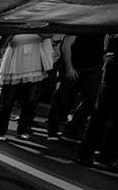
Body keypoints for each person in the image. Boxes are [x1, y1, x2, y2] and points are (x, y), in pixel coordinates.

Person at [0, 34, 54, 141]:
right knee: (7, 103)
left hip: (34, 67)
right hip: (13, 66)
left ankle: (22, 130)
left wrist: (35, 26)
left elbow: (49, 34)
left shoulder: (40, 25)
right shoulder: (15, 24)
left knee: (29, 103)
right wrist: (11, 31)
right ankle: (0, 131)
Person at [46, 34, 105, 142]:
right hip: (75, 66)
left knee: (90, 100)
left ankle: (72, 130)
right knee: (61, 99)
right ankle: (52, 130)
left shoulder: (103, 25)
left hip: (94, 67)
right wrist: (69, 68)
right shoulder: (81, 25)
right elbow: (65, 46)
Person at [75, 34, 118, 172]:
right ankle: (103, 156)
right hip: (115, 62)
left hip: (114, 60)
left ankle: (90, 154)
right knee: (102, 111)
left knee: (101, 111)